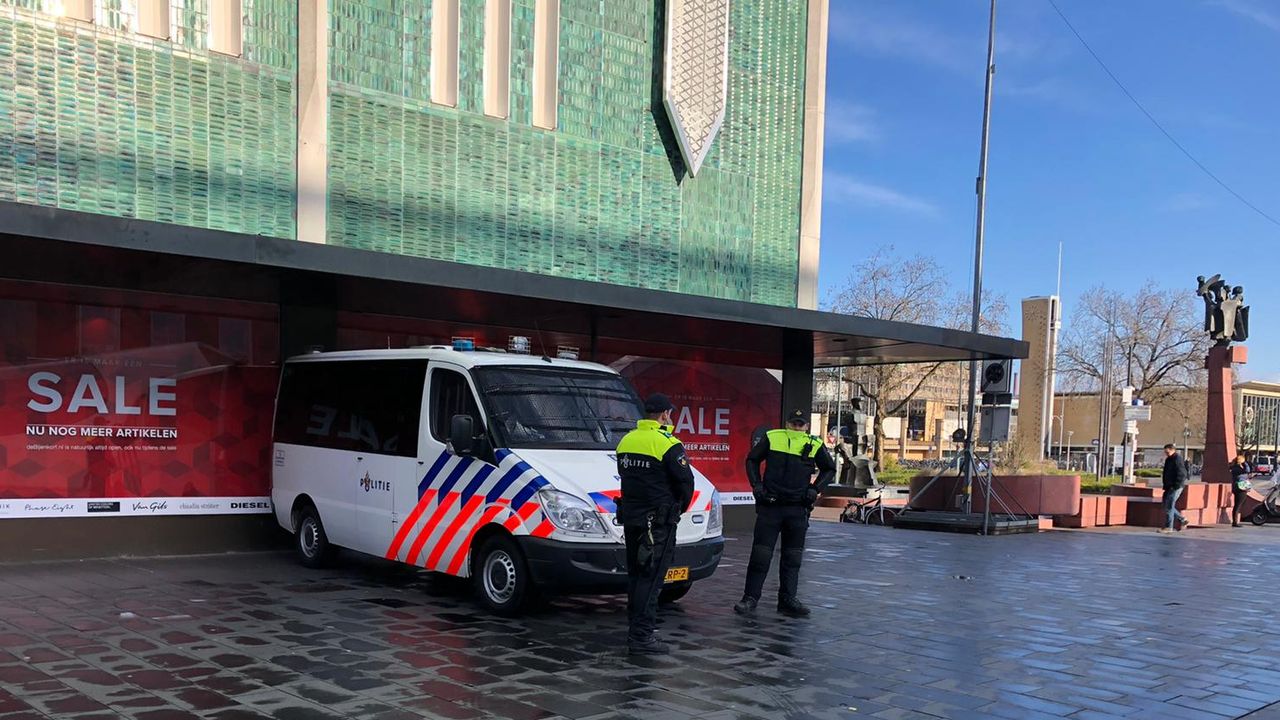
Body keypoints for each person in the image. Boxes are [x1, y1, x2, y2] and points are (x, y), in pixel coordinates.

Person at [734, 410, 836, 618]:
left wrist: (815, 489)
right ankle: (750, 598)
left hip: (797, 508)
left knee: (793, 557)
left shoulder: (815, 443)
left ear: (807, 426)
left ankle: (788, 599)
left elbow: (829, 469)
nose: (797, 427)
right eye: (794, 423)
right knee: (761, 555)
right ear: (787, 423)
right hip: (771, 506)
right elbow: (752, 460)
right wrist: (757, 486)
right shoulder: (773, 437)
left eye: (800, 424)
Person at [615, 393, 694, 655]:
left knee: (637, 576)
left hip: (632, 519)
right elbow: (686, 483)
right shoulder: (667, 443)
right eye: (669, 414)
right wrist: (676, 510)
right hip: (658, 524)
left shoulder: (626, 440)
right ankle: (642, 637)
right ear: (664, 415)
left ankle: (636, 629)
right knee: (651, 579)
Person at [1160, 443, 1190, 533]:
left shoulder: (1177, 459)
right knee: (1166, 505)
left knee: (1169, 505)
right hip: (1169, 486)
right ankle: (1182, 519)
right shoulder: (1168, 459)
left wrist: (1176, 485)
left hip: (1175, 486)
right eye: (1165, 452)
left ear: (1172, 450)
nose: (1166, 453)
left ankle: (1169, 527)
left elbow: (1182, 473)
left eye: (1167, 452)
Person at [1230, 454, 1253, 528]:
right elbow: (1247, 470)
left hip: (1239, 487)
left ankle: (1235, 521)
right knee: (1238, 505)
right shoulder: (1237, 468)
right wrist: (1245, 463)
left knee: (1238, 505)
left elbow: (1245, 473)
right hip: (1240, 488)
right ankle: (1235, 522)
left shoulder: (1236, 468)